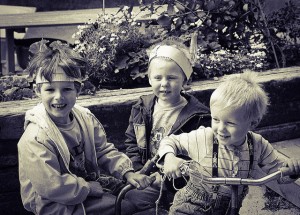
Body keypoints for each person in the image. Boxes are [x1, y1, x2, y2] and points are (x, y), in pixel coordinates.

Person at [17, 40, 154, 215]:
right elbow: (50, 187)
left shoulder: (84, 119)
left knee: (138, 197)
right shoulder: (35, 138)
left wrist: (127, 172)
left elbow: (103, 151)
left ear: (78, 90)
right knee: (125, 207)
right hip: (54, 203)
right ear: (38, 91)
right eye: (50, 90)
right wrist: (88, 188)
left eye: (67, 89)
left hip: (84, 187)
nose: (58, 97)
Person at [158, 71, 300, 214]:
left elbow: (278, 172)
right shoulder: (205, 137)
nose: (220, 129)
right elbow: (169, 141)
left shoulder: (257, 145)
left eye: (230, 123)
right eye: (216, 120)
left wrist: (291, 170)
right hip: (192, 206)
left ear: (253, 123)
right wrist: (170, 157)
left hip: (229, 208)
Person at [124, 37, 211, 212]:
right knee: (127, 198)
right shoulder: (141, 108)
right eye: (158, 77)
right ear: (149, 79)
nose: (164, 84)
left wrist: (168, 177)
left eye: (171, 77)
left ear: (184, 80)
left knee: (135, 201)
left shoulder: (198, 117)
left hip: (179, 185)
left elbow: (200, 159)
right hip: (147, 177)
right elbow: (132, 143)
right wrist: (140, 172)